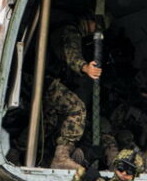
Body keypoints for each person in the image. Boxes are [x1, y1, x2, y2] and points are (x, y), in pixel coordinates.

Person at [44, 13, 104, 169]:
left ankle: (19, 152)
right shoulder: (71, 31)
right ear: (89, 20)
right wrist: (85, 68)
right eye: (96, 27)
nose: (94, 32)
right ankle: (61, 158)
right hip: (46, 81)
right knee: (77, 109)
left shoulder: (64, 28)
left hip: (40, 81)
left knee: (48, 122)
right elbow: (72, 54)